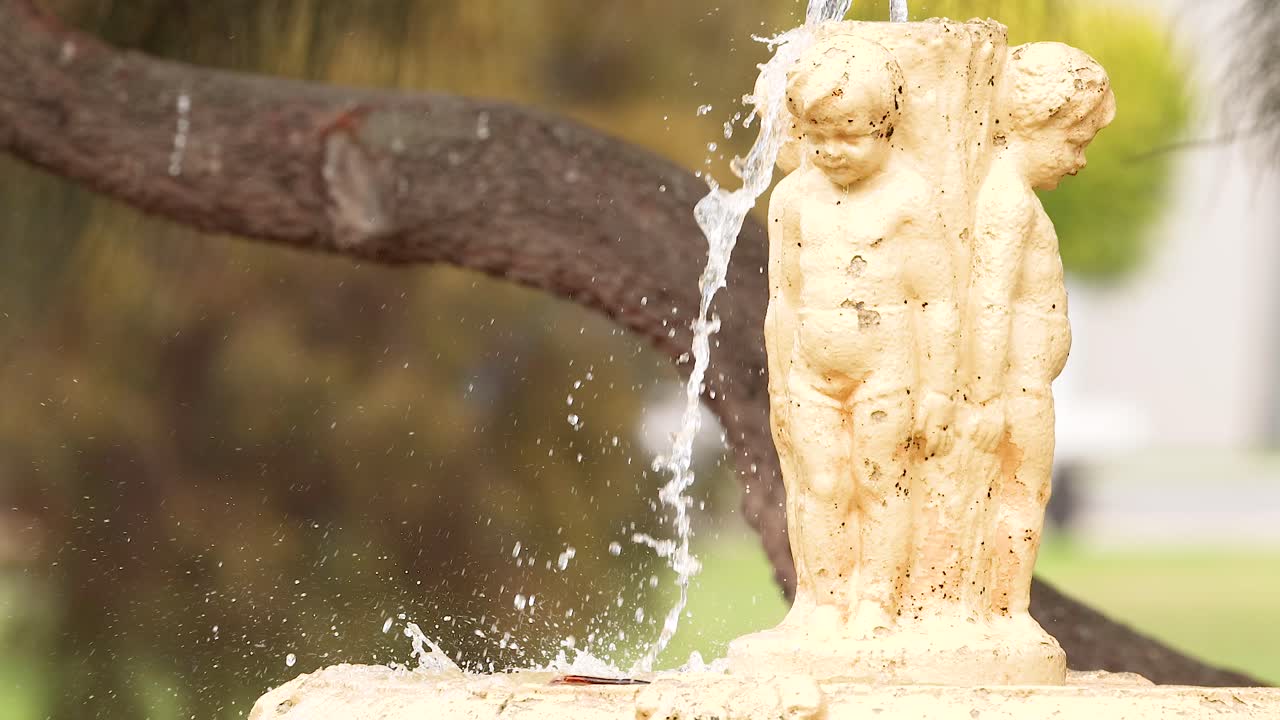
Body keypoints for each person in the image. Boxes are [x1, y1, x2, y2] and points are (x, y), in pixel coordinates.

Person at [767, 35, 958, 637]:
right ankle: (826, 600)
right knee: (820, 484)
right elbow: (784, 298)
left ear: (888, 126)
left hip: (886, 370)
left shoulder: (909, 198)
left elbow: (936, 301)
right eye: (816, 137)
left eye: (851, 136)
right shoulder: (794, 198)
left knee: (881, 482)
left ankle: (877, 597)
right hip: (810, 373)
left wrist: (940, 392)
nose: (832, 151)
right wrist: (778, 379)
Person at [966, 42, 1116, 629]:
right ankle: (1004, 610)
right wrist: (982, 396)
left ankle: (1005, 606)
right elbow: (990, 297)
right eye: (1075, 143)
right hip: (1011, 387)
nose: (1078, 161)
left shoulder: (1014, 199)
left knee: (1024, 495)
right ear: (1039, 124)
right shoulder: (1007, 203)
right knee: (1019, 498)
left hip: (1024, 382)